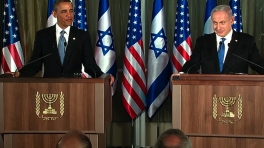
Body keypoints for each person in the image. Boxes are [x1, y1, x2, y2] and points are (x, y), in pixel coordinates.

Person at [14, 0, 114, 85]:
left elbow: (90, 65)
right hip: (49, 87)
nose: (69, 15)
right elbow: (35, 64)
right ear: (54, 14)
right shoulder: (43, 36)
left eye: (71, 11)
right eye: (64, 12)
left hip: (74, 87)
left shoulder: (82, 36)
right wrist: (20, 74)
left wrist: (103, 76)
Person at [173, 5, 264, 77]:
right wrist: (182, 74)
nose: (218, 27)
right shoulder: (203, 42)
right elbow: (193, 64)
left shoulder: (246, 41)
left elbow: (258, 64)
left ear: (232, 20)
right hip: (209, 91)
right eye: (215, 23)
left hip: (237, 92)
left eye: (222, 22)